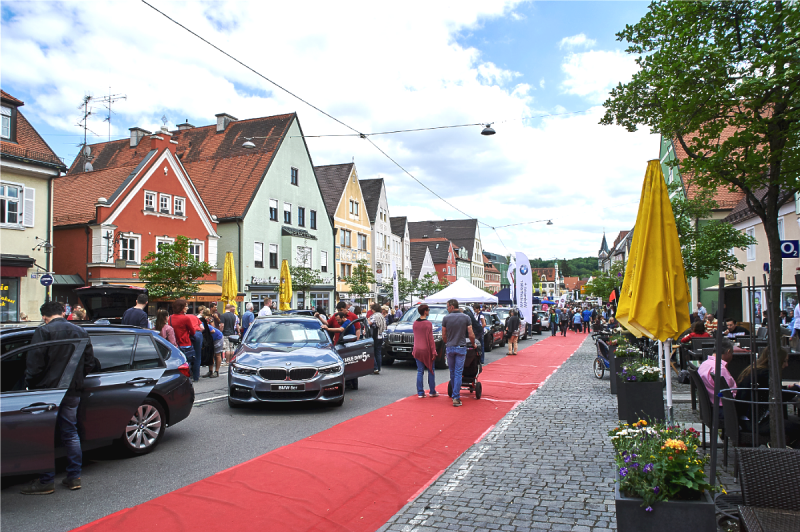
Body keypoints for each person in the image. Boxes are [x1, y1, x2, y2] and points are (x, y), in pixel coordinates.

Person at [21, 301, 96, 494]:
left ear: (44, 316)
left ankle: (46, 481)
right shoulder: (81, 331)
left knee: (45, 435)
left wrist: (30, 385)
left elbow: (35, 365)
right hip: (73, 390)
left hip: (48, 391)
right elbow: (90, 362)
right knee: (70, 433)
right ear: (63, 312)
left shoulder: (43, 332)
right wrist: (77, 378)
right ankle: (74, 477)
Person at [736, 347, 800, 448]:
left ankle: (787, 451)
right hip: (755, 423)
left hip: (746, 419)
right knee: (796, 427)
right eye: (785, 361)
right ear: (777, 361)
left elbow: (770, 393)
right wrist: (796, 388)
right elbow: (778, 397)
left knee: (794, 423)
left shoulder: (756, 370)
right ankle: (788, 456)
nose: (786, 365)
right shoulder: (766, 374)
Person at [441, 298, 476, 408]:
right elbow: (470, 333)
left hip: (450, 347)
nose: (447, 309)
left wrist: (448, 343)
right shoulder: (465, 317)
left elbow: (443, 335)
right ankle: (456, 397)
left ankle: (454, 393)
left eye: (447, 306)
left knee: (452, 372)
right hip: (461, 347)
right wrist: (473, 343)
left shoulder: (446, 318)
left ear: (452, 306)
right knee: (458, 372)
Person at [697, 339, 736, 409]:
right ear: (728, 351)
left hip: (711, 404)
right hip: (724, 407)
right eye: (732, 353)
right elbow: (730, 392)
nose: (732, 356)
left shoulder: (704, 364)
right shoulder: (720, 368)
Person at [412, 304, 439, 398]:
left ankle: (420, 392)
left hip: (417, 349)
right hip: (426, 349)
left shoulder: (415, 323)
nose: (429, 311)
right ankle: (432, 391)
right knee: (431, 370)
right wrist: (434, 351)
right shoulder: (428, 324)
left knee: (420, 371)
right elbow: (430, 339)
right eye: (428, 310)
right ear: (425, 311)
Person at [169, 299, 198, 381]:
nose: (187, 308)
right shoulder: (185, 318)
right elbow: (192, 331)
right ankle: (188, 379)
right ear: (181, 307)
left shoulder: (170, 318)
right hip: (185, 344)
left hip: (175, 344)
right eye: (186, 306)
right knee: (187, 363)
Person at [201, 313, 223, 378]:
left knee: (217, 354)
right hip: (211, 339)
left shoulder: (203, 325)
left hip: (218, 338)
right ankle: (210, 371)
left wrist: (205, 333)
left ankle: (216, 371)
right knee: (210, 354)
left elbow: (213, 330)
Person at [368, 303, 387, 374]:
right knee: (378, 352)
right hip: (381, 335)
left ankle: (375, 367)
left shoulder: (374, 316)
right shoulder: (381, 316)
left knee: (372, 351)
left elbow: (369, 323)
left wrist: (368, 320)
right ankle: (378, 367)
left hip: (375, 336)